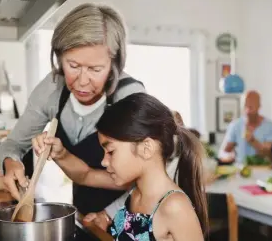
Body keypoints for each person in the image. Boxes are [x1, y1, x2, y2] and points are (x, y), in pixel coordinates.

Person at [0, 3, 146, 216]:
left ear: (114, 63)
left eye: (95, 69)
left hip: (131, 215)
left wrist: (110, 215)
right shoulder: (52, 89)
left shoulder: (129, 97)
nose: (83, 81)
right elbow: (13, 144)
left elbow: (147, 177)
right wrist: (10, 163)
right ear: (59, 58)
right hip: (84, 215)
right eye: (73, 66)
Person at [34, 93, 207, 240]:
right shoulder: (134, 193)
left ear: (146, 148)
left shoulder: (174, 206)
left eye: (110, 152)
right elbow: (85, 175)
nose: (103, 161)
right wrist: (59, 153)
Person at [219, 90, 272, 164]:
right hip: (240, 171)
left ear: (259, 106)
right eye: (246, 104)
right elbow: (224, 151)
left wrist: (253, 141)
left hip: (264, 170)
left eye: (251, 104)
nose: (248, 107)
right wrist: (228, 155)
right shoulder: (235, 125)